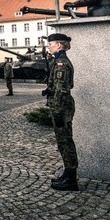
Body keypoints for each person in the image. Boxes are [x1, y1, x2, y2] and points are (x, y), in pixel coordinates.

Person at [43, 33, 78, 191]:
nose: (48, 46)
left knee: (65, 142)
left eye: (51, 43)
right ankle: (68, 173)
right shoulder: (57, 60)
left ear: (59, 45)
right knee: (63, 141)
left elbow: (61, 89)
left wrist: (57, 111)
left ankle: (71, 179)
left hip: (61, 108)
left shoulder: (61, 64)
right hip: (61, 106)